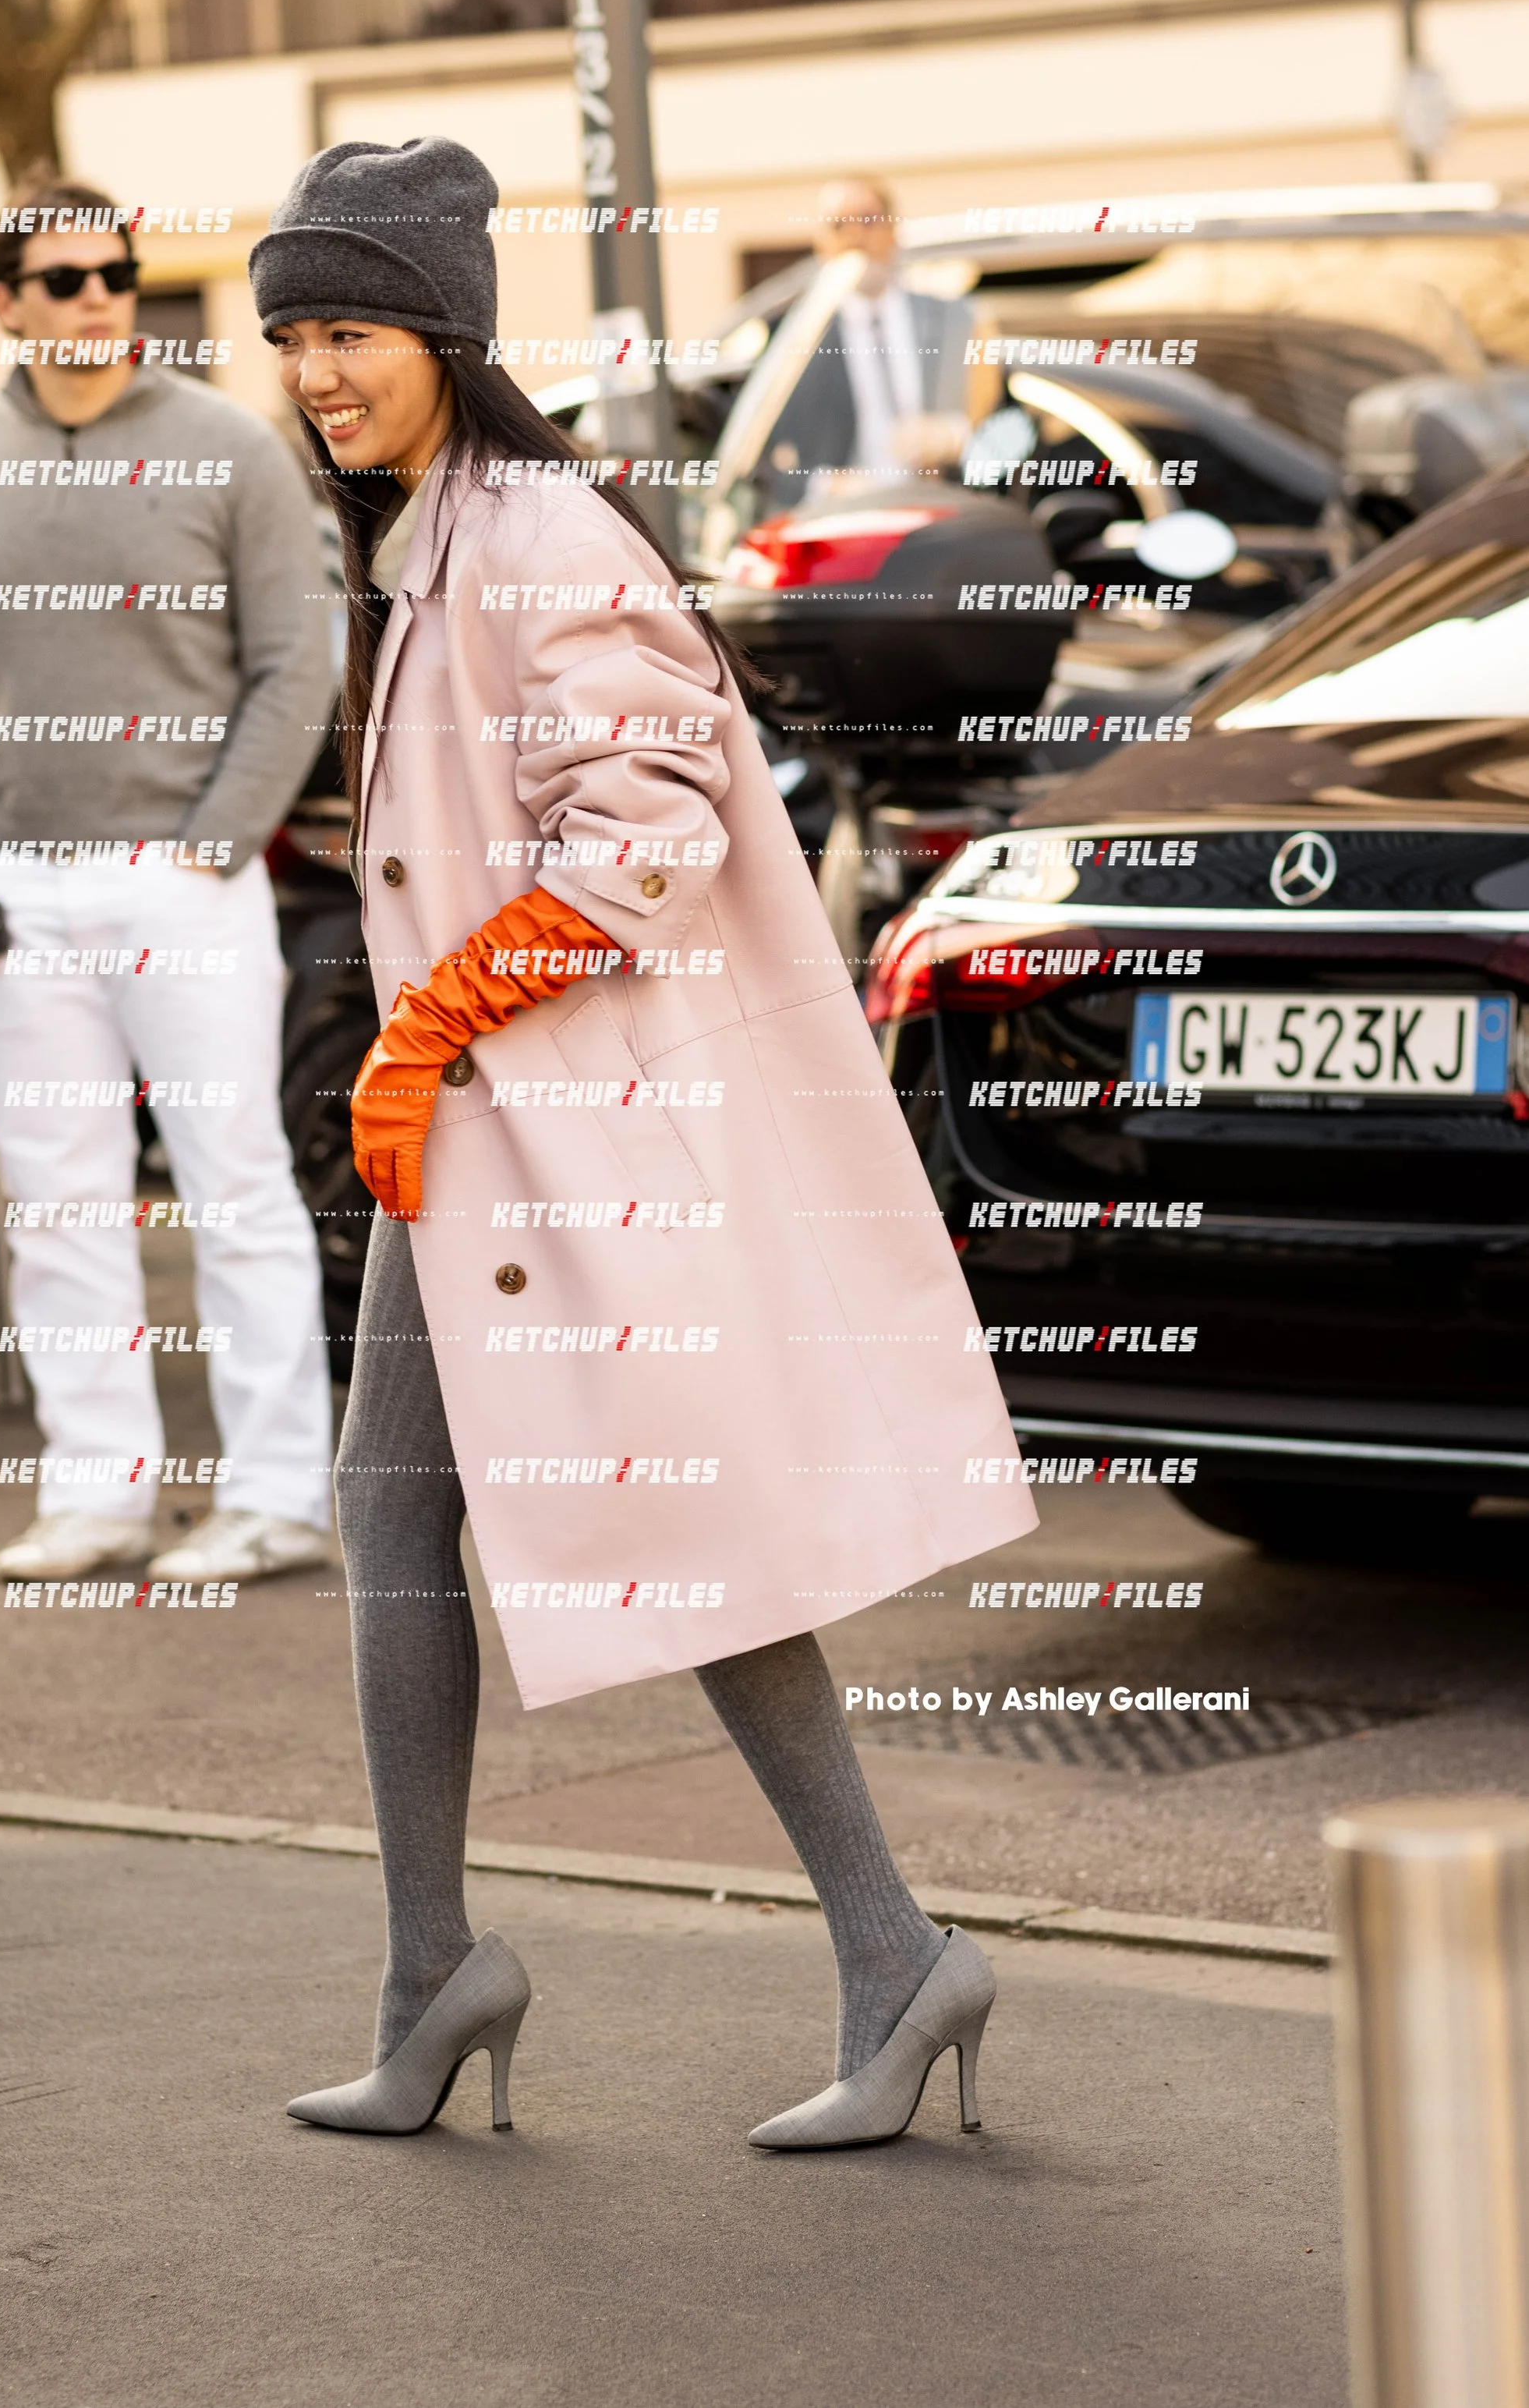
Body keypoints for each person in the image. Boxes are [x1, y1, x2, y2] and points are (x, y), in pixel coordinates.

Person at [250, 136, 1035, 2150]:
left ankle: (887, 1946)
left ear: (440, 332)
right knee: (398, 1512)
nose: (314, 371)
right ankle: (434, 1971)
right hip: (506, 1154)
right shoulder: (438, 531)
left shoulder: (541, 539)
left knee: (669, 1524)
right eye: (288, 337)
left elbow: (649, 836)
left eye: (343, 328)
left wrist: (427, 1022)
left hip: (583, 1143)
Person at [0, 179, 339, 1585]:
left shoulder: (227, 449)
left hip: (182, 884)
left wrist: (213, 839)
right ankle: (99, 1494)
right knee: (61, 1205)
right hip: (14, 892)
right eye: (63, 277)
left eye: (117, 274)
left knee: (235, 1188)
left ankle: (274, 1499)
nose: (97, 297)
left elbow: (295, 662)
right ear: (7, 301)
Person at [765, 178, 972, 499]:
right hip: (845, 524)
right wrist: (824, 486)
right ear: (821, 244)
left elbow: (1007, 428)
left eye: (868, 220)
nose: (855, 236)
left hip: (944, 513)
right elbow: (764, 460)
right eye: (838, 226)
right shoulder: (794, 336)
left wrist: (956, 436)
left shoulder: (950, 320)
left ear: (893, 230)